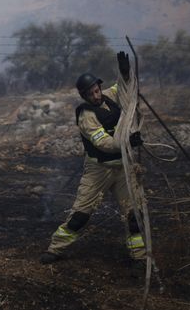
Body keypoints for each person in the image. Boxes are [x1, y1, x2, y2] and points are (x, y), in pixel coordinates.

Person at [40, 51, 146, 264]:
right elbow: (104, 144)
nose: (96, 96)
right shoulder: (86, 116)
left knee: (135, 215)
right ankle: (56, 248)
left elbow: (126, 89)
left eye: (97, 91)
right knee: (81, 216)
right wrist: (126, 141)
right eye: (91, 94)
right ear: (84, 96)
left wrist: (125, 73)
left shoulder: (109, 95)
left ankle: (140, 255)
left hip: (124, 168)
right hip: (99, 170)